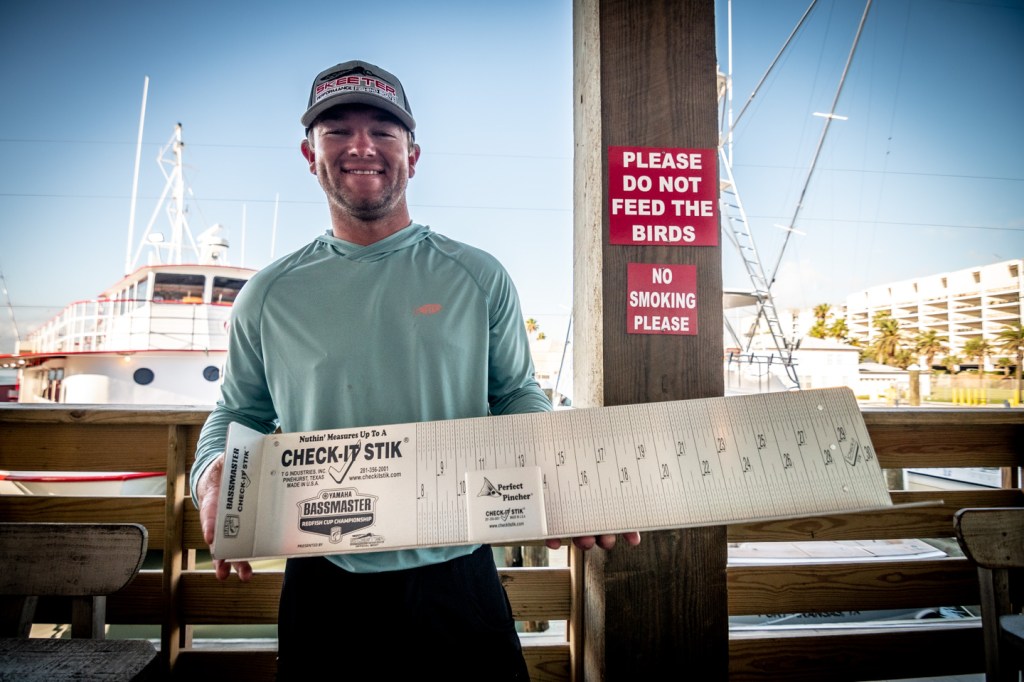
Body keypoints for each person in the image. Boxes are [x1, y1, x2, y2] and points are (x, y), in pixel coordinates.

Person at [190, 59, 640, 680]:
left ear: (413, 155)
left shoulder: (477, 275)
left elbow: (516, 395)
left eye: (383, 130)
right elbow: (238, 412)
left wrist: (565, 473)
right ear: (310, 155)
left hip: (459, 572)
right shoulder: (266, 295)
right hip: (324, 579)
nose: (361, 146)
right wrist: (210, 477)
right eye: (337, 131)